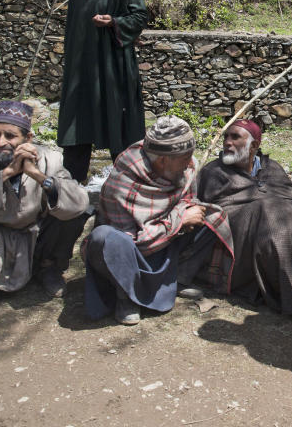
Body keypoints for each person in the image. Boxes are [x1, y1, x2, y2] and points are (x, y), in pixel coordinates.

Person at [82, 116, 233, 325]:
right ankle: (126, 296)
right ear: (163, 160)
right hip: (133, 251)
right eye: (186, 157)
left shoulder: (183, 168)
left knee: (211, 216)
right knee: (106, 239)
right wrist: (179, 220)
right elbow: (136, 242)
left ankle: (177, 277)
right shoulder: (123, 179)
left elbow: (187, 201)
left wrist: (188, 212)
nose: (191, 162)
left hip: (164, 241)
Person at [0, 100, 90, 305]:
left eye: (10, 136)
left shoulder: (50, 158)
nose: (1, 142)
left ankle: (48, 267)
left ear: (28, 138)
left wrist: (37, 175)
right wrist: (7, 173)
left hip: (36, 233)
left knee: (75, 211)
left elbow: (79, 202)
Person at [196, 119, 292, 321]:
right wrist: (260, 206)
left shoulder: (272, 168)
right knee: (266, 212)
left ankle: (277, 285)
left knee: (286, 215)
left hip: (275, 224)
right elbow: (210, 208)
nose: (227, 143)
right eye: (226, 137)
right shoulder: (213, 171)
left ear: (254, 146)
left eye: (235, 137)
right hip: (235, 237)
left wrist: (278, 208)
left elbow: (289, 197)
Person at [57, 0, 148, 183]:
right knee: (77, 125)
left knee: (119, 122)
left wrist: (115, 22)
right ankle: (71, 190)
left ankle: (130, 186)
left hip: (112, 64)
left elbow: (140, 16)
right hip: (80, 68)